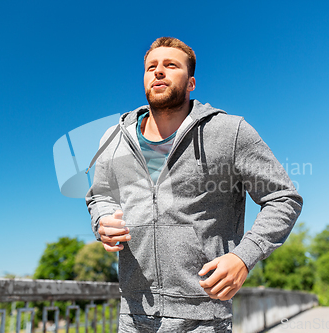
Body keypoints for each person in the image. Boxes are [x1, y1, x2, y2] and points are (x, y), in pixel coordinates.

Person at [85, 37, 303, 332]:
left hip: (203, 319)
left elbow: (283, 197)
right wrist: (102, 220)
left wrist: (244, 256)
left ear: (191, 83)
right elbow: (100, 195)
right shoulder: (114, 138)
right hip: (133, 316)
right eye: (151, 67)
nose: (158, 72)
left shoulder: (229, 132)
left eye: (171, 65)